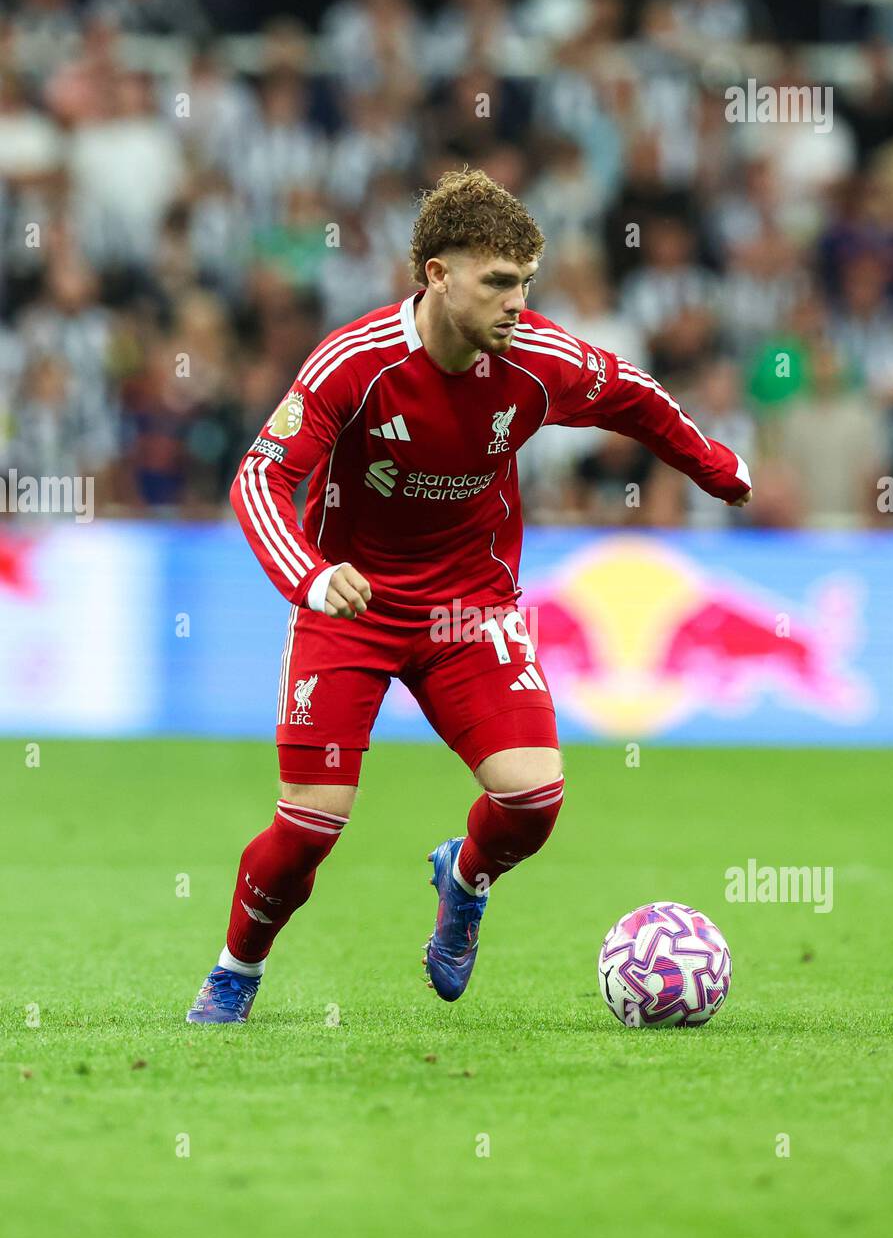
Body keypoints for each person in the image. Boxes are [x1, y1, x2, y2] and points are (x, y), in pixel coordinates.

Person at [186, 169, 752, 1023]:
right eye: (497, 282)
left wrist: (712, 465)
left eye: (526, 281)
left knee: (534, 798)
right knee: (311, 826)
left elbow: (634, 399)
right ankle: (236, 971)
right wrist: (310, 575)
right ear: (437, 275)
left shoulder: (536, 362)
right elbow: (261, 480)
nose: (518, 302)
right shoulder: (357, 365)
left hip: (469, 612)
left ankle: (465, 878)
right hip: (352, 610)